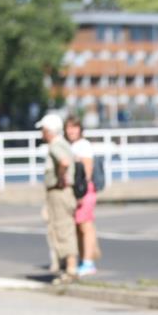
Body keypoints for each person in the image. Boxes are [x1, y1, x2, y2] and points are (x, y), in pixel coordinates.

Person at [37, 112, 79, 284]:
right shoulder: (62, 144)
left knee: (62, 229)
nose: (41, 133)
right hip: (61, 192)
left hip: (59, 192)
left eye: (43, 129)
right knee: (61, 228)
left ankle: (70, 269)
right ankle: (66, 268)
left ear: (49, 130)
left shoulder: (56, 145)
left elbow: (64, 162)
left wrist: (61, 178)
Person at [64, 116, 101, 277]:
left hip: (84, 190)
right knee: (78, 227)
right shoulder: (70, 146)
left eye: (74, 127)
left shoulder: (83, 146)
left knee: (86, 226)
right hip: (76, 191)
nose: (71, 131)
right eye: (68, 127)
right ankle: (84, 258)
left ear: (80, 129)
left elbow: (87, 171)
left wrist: (80, 192)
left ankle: (88, 262)